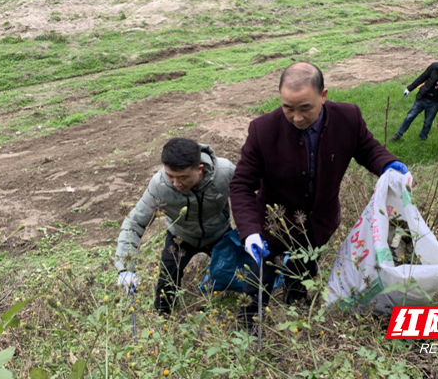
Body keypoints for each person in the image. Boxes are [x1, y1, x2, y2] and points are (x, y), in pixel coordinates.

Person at [229, 62, 409, 328]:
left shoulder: (348, 118)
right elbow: (241, 185)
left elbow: (369, 150)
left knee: (301, 273)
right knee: (259, 278)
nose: (297, 118)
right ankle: (247, 328)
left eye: (306, 108)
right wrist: (250, 231)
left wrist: (388, 165)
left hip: (317, 223)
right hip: (273, 226)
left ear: (323, 96)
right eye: (287, 108)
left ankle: (296, 312)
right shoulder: (263, 130)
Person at [115, 138, 235, 314]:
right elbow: (135, 223)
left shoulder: (225, 173)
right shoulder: (160, 185)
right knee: (167, 283)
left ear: (199, 168)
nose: (176, 183)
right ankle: (164, 318)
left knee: (239, 274)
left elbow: (250, 196)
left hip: (218, 232)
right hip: (181, 236)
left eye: (183, 177)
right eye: (170, 176)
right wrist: (126, 268)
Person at [390, 55, 438, 141]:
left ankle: (422, 138)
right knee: (410, 116)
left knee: (428, 122)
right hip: (423, 97)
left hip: (436, 102)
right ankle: (398, 134)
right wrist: (409, 89)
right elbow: (422, 78)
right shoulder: (434, 67)